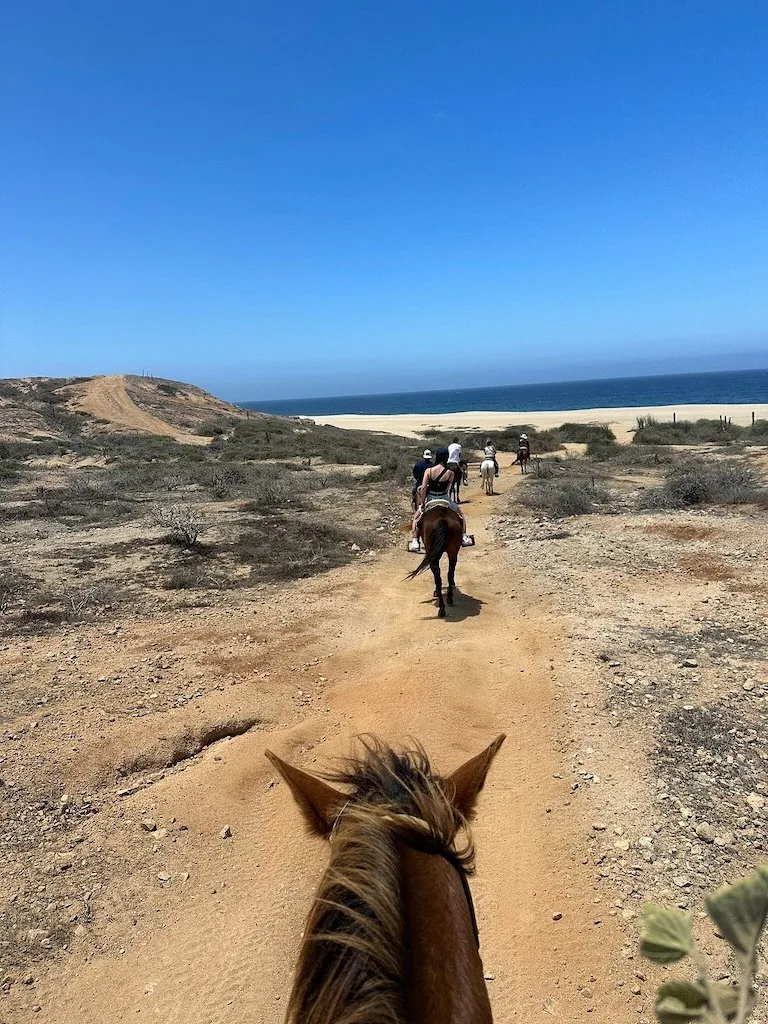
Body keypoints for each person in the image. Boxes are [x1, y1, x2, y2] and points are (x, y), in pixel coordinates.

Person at [409, 447, 474, 551]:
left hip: (431, 498)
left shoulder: (429, 471)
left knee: (416, 518)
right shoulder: (450, 473)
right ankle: (464, 537)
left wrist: (422, 502)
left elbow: (424, 487)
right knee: (460, 516)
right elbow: (447, 489)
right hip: (444, 498)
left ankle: (415, 541)